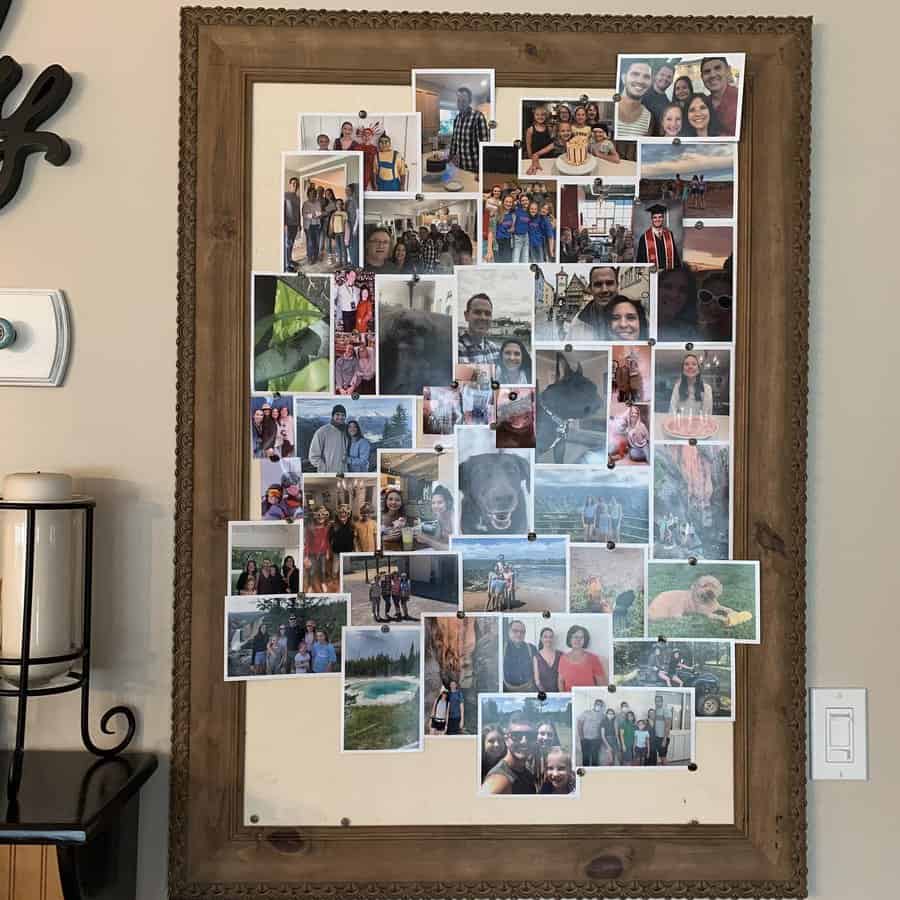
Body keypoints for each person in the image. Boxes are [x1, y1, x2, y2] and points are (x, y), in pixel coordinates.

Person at [481, 712, 538, 795]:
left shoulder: (524, 771)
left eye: (530, 736)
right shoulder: (499, 781)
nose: (524, 741)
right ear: (506, 740)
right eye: (516, 735)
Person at [567, 266, 620, 339]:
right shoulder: (577, 323)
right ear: (590, 289)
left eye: (609, 283)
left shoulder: (633, 319)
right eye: (598, 284)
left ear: (617, 286)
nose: (604, 290)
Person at [448, 86, 490, 174]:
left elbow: (485, 146)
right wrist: (450, 158)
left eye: (463, 101)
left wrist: (482, 169)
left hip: (474, 168)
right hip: (460, 166)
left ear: (469, 102)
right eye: (458, 101)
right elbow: (454, 141)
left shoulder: (478, 117)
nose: (460, 104)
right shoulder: (456, 119)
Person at [557, 625, 607, 691]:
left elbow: (601, 685)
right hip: (570, 699)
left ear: (585, 640)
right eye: (575, 637)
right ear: (570, 639)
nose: (578, 640)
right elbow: (560, 681)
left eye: (581, 637)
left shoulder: (593, 659)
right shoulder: (563, 658)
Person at [457, 293, 501, 367]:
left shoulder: (495, 349)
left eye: (487, 313)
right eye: (477, 312)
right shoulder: (456, 350)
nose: (483, 317)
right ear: (466, 316)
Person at [657, 265, 698, 340]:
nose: (674, 295)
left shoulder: (690, 334)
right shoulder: (636, 326)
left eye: (683, 290)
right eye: (668, 287)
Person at [700, 56, 738, 136]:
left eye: (717, 68)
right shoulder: (702, 103)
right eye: (707, 72)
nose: (712, 75)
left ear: (728, 71)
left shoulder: (740, 98)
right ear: (702, 77)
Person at [635, 203, 680, 270]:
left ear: (663, 218)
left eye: (660, 217)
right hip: (652, 274)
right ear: (651, 219)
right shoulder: (644, 237)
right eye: (655, 217)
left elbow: (675, 255)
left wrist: (677, 271)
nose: (657, 220)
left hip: (668, 274)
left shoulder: (669, 235)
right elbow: (640, 259)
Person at [617, 59, 655, 138]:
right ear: (623, 78)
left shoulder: (649, 118)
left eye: (646, 76)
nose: (640, 81)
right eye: (635, 74)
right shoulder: (611, 106)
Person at [308, 404, 349, 473]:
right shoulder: (322, 432)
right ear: (332, 416)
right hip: (327, 474)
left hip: (344, 473)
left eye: (343, 415)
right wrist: (324, 468)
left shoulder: (347, 431)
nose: (340, 417)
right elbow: (313, 456)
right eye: (337, 414)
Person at [416, 484, 453, 550]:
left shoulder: (454, 518)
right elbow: (438, 538)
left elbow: (454, 548)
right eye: (433, 503)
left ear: (448, 502)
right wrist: (423, 536)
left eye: (440, 502)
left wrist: (427, 540)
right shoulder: (439, 516)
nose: (436, 506)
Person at [503, 620, 537, 691]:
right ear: (509, 632)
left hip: (529, 690)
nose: (519, 634)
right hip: (507, 691)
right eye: (515, 631)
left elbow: (537, 672)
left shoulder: (532, 648)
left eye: (522, 632)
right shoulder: (501, 648)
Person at [304, 507, 332, 592]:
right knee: (312, 571)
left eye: (323, 516)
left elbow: (326, 540)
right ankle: (309, 585)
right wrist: (306, 556)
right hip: (312, 553)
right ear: (315, 517)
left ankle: (323, 583)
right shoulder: (310, 528)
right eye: (318, 516)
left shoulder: (327, 527)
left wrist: (327, 551)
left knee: (323, 570)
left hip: (323, 553)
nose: (321, 518)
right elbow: (307, 542)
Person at [524, 104, 555, 174]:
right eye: (537, 115)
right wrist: (531, 158)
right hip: (535, 158)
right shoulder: (530, 130)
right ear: (534, 116)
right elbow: (528, 145)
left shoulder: (549, 128)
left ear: (545, 116)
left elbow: (551, 142)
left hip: (547, 156)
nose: (540, 117)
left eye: (542, 115)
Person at [486, 193, 516, 263]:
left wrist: (513, 228)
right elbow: (490, 232)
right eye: (506, 201)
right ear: (503, 202)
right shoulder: (496, 213)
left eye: (510, 202)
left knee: (508, 265)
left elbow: (513, 228)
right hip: (498, 243)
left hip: (509, 243)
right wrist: (489, 250)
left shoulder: (513, 214)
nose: (508, 204)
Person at [576, 697, 605, 767]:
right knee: (585, 757)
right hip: (585, 739)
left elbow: (604, 727)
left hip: (596, 740)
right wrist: (581, 737)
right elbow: (579, 723)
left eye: (600, 705)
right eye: (597, 704)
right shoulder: (586, 712)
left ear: (602, 707)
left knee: (595, 758)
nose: (598, 706)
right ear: (594, 704)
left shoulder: (603, 716)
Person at [533, 627, 562, 693]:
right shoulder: (536, 657)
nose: (548, 639)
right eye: (545, 637)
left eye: (550, 637)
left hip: (559, 692)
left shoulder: (560, 655)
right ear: (541, 639)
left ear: (553, 639)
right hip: (542, 693)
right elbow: (537, 682)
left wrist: (561, 693)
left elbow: (562, 678)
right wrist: (545, 694)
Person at [329, 504, 355, 577]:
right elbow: (330, 538)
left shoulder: (351, 525)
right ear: (337, 514)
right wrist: (330, 549)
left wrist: (353, 549)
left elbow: (353, 538)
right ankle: (334, 579)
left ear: (348, 514)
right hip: (337, 550)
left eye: (345, 513)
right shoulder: (334, 525)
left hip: (347, 550)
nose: (343, 514)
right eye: (340, 513)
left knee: (346, 569)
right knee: (335, 569)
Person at [283, 177, 301, 272]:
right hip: (288, 224)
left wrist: (299, 224)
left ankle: (290, 260)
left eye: (297, 183)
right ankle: (286, 266)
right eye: (293, 183)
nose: (295, 185)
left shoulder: (298, 198)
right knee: (287, 244)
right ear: (290, 184)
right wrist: (284, 223)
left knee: (291, 244)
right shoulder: (285, 195)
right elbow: (283, 209)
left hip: (295, 224)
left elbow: (298, 212)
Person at [335, 268, 360, 334]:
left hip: (355, 313)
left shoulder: (357, 289)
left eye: (354, 276)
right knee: (348, 333)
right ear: (347, 276)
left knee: (355, 333)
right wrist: (338, 319)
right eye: (352, 276)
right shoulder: (340, 289)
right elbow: (338, 304)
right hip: (346, 314)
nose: (353, 278)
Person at [652, 695, 672, 765]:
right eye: (656, 701)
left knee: (663, 757)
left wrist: (664, 739)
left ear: (662, 701)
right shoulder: (656, 710)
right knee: (660, 756)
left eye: (659, 701)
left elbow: (668, 726)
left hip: (663, 738)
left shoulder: (666, 710)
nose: (657, 703)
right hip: (657, 737)